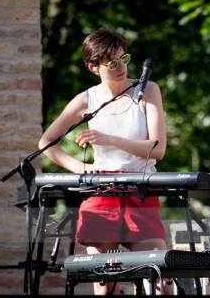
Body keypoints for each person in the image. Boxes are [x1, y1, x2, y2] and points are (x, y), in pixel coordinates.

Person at [39, 28, 170, 295]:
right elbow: (45, 143)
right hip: (101, 195)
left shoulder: (147, 91)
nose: (120, 66)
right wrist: (81, 167)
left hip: (140, 192)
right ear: (93, 67)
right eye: (111, 62)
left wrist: (111, 139)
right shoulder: (87, 99)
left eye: (124, 58)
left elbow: (157, 149)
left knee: (159, 282)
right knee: (106, 284)